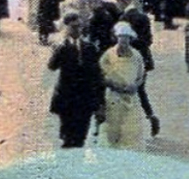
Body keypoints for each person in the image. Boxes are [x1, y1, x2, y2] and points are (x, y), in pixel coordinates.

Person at [48, 10, 105, 148]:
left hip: (85, 98)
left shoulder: (89, 47)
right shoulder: (62, 47)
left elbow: (96, 76)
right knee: (67, 135)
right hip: (67, 97)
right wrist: (57, 48)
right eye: (73, 27)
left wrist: (99, 102)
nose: (77, 30)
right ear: (66, 28)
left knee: (81, 136)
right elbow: (52, 66)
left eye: (79, 26)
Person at [99, 21, 150, 147]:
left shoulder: (136, 55)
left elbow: (141, 75)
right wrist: (114, 85)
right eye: (121, 37)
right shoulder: (108, 55)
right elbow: (101, 75)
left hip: (131, 98)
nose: (123, 41)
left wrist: (135, 85)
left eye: (126, 38)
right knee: (113, 131)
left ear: (130, 39)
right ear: (116, 38)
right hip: (114, 97)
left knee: (132, 130)